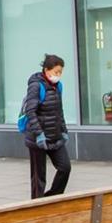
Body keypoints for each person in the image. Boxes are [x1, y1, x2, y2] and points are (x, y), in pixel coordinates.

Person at [20, 53, 71, 200]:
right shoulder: (36, 86)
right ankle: (36, 205)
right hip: (38, 138)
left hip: (55, 136)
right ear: (46, 70)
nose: (58, 75)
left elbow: (59, 111)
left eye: (60, 72)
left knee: (65, 168)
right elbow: (30, 111)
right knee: (38, 177)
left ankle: (51, 198)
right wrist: (39, 134)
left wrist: (64, 131)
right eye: (56, 72)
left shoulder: (58, 87)